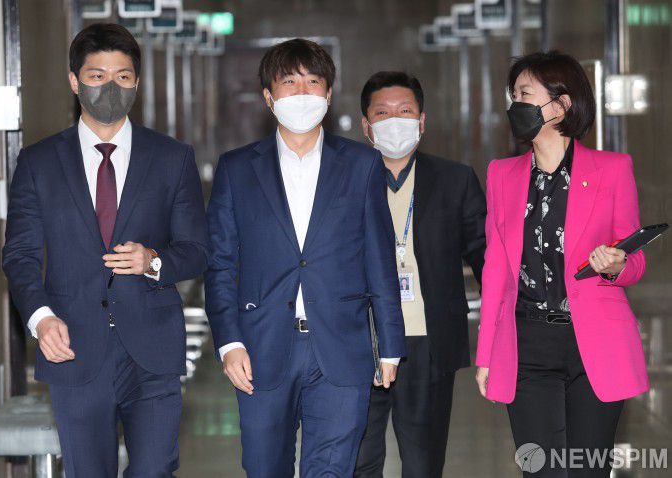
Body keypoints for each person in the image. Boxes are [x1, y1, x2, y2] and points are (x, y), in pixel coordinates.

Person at [2, 23, 207, 477]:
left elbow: (197, 250)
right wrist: (40, 318)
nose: (110, 87)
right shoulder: (38, 163)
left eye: (123, 76)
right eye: (97, 76)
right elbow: (19, 255)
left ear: (137, 83)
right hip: (74, 348)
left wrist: (153, 261)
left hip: (152, 349)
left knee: (155, 469)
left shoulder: (172, 158)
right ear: (74, 81)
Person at [204, 39, 406, 478]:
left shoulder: (361, 164)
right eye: (289, 83)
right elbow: (220, 264)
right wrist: (229, 342)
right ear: (268, 97)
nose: (302, 93)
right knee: (264, 466)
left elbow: (378, 257)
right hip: (260, 347)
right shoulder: (237, 169)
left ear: (328, 94)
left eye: (313, 82)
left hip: (341, 345)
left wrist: (390, 343)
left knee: (332, 469)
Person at [475, 51, 649, 477]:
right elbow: (495, 269)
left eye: (525, 94)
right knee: (541, 470)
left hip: (596, 342)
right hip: (527, 344)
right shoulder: (501, 175)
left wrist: (616, 263)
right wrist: (486, 353)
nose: (515, 104)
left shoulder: (612, 169)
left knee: (587, 469)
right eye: (514, 95)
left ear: (561, 104)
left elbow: (635, 260)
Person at [354, 72, 486, 478]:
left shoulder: (454, 180)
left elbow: (485, 256)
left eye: (405, 111)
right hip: (360, 339)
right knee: (358, 460)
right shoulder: (345, 179)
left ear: (422, 121)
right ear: (366, 125)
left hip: (428, 341)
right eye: (382, 113)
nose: (395, 121)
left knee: (423, 462)